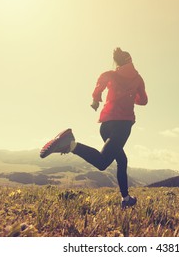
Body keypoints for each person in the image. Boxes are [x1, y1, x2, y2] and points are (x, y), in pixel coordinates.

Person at [40, 47, 148, 209]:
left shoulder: (110, 75)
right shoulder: (138, 79)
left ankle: (126, 198)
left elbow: (99, 87)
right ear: (131, 61)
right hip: (123, 125)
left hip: (105, 126)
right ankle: (71, 144)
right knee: (103, 162)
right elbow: (144, 100)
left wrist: (96, 100)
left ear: (117, 62)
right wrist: (131, 95)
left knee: (122, 160)